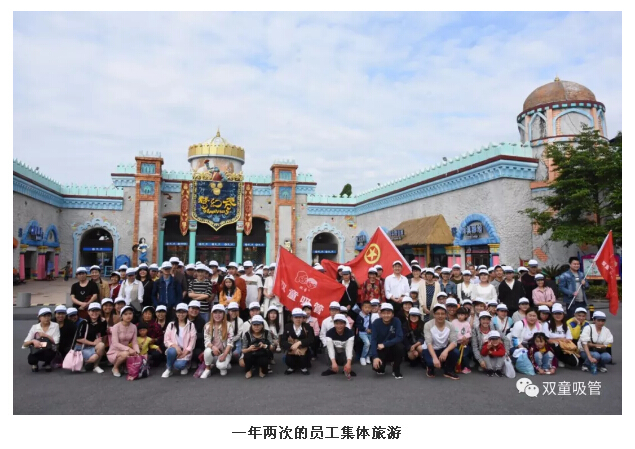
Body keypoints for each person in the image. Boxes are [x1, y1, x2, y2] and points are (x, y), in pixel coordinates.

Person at [423, 304, 459, 380]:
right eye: (437, 314)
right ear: (434, 314)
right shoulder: (428, 325)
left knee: (456, 352)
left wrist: (446, 351)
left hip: (443, 348)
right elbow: (428, 343)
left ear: (446, 315)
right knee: (431, 362)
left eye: (442, 314)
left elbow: (454, 342)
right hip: (430, 349)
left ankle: (448, 370)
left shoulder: (450, 325)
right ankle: (430, 367)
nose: (440, 316)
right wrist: (434, 358)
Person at [162, 303, 197, 377]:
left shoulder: (191, 325)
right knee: (171, 351)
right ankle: (169, 369)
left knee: (179, 365)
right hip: (175, 350)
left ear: (187, 313)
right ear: (176, 313)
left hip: (185, 351)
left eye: (183, 312)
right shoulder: (171, 324)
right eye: (179, 312)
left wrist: (185, 353)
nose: (181, 314)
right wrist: (175, 346)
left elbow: (192, 342)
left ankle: (186, 364)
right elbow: (166, 340)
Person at [370, 303, 404, 379]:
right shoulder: (376, 323)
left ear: (392, 314)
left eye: (388, 313)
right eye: (384, 313)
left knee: (400, 347)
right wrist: (375, 357)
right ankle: (382, 365)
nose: (386, 315)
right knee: (378, 369)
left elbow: (400, 337)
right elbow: (373, 340)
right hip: (380, 349)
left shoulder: (396, 321)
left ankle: (396, 369)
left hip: (392, 348)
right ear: (380, 314)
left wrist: (385, 344)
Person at [200, 304, 233, 378]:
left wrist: (224, 355)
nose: (217, 315)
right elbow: (206, 341)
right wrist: (213, 347)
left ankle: (224, 364)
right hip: (213, 351)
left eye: (220, 312)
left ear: (224, 314)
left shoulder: (229, 325)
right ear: (212, 314)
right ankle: (208, 369)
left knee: (222, 368)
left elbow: (230, 343)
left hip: (224, 352)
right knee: (207, 351)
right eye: (215, 312)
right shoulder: (207, 325)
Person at [73, 302, 107, 373]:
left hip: (93, 346)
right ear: (88, 312)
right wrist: (93, 343)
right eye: (92, 311)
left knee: (101, 345)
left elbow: (103, 335)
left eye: (97, 311)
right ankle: (82, 362)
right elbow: (79, 338)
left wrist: (103, 348)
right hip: (82, 346)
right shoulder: (83, 322)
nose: (94, 313)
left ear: (100, 312)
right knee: (94, 357)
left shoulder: (103, 322)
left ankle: (96, 366)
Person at [23, 308, 60, 372]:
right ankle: (34, 364)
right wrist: (33, 341)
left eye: (48, 316)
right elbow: (25, 344)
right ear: (39, 317)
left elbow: (56, 341)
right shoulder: (34, 327)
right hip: (37, 349)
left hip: (49, 349)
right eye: (44, 316)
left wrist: (46, 336)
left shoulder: (55, 325)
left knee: (49, 353)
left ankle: (48, 363)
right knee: (31, 359)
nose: (47, 318)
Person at [106, 306, 139, 377]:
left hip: (126, 350)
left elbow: (134, 342)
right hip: (114, 352)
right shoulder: (116, 327)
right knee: (126, 353)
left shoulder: (134, 327)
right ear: (121, 316)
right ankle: (115, 368)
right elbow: (115, 343)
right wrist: (129, 349)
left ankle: (123, 366)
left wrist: (137, 352)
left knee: (136, 353)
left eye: (130, 313)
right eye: (125, 314)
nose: (128, 316)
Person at [543, 303, 579, 368]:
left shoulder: (566, 325)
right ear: (552, 315)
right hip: (552, 347)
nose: (558, 315)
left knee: (574, 363)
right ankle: (556, 359)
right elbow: (548, 340)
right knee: (556, 346)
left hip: (564, 347)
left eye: (560, 313)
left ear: (563, 315)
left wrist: (556, 340)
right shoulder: (547, 324)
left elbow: (569, 339)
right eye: (555, 314)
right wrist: (562, 339)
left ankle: (560, 359)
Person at [280, 308, 314, 375]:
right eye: (296, 317)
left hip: (304, 349)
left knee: (303, 359)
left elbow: (311, 339)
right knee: (289, 360)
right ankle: (291, 368)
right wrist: (292, 347)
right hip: (291, 349)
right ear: (292, 318)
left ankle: (303, 368)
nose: (298, 319)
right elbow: (283, 341)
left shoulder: (307, 327)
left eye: (300, 317)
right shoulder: (287, 326)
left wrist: (299, 343)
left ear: (303, 318)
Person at [322, 314, 356, 378]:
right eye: (337, 324)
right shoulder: (329, 333)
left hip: (344, 353)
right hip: (335, 353)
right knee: (327, 350)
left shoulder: (350, 333)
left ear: (345, 324)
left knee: (352, 352)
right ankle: (332, 368)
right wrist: (333, 362)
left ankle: (346, 368)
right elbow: (330, 349)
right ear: (334, 324)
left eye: (341, 324)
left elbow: (349, 349)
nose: (339, 326)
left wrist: (348, 363)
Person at [355, 300, 373, 366]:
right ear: (362, 308)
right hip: (362, 332)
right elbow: (358, 325)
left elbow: (371, 324)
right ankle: (363, 357)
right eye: (366, 307)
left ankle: (368, 356)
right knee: (367, 343)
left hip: (369, 332)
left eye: (369, 307)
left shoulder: (370, 315)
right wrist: (365, 329)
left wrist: (371, 329)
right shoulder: (359, 316)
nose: (367, 309)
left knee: (372, 343)